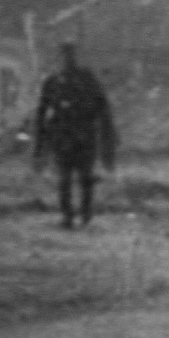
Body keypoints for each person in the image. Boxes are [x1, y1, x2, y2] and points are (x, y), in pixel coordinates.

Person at [30, 41, 120, 229]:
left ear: (74, 57)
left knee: (85, 178)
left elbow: (102, 108)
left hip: (84, 137)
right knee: (64, 179)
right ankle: (67, 216)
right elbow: (41, 111)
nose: (67, 60)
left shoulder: (87, 79)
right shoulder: (53, 82)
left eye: (70, 56)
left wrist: (106, 136)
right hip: (63, 138)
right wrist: (40, 143)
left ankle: (85, 214)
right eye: (63, 56)